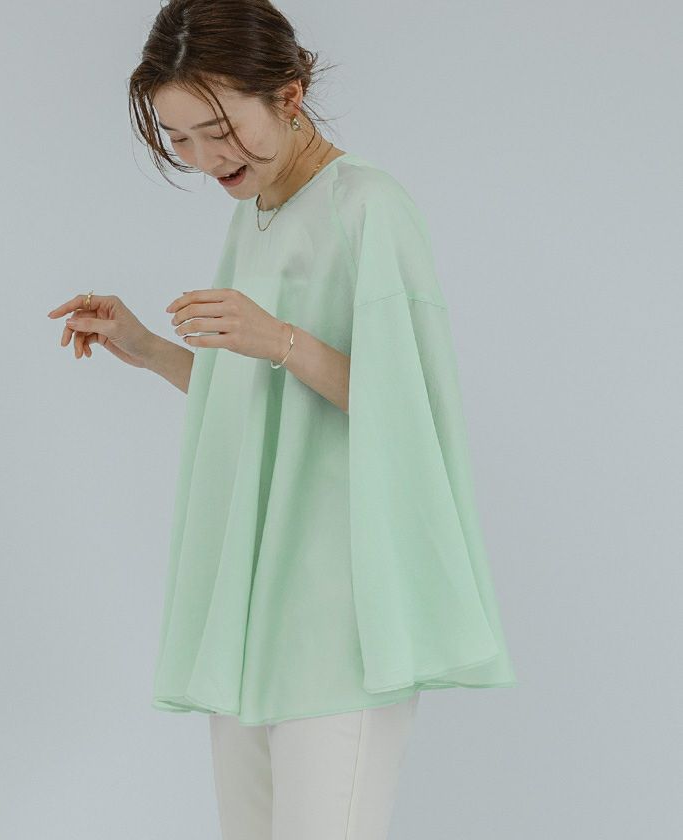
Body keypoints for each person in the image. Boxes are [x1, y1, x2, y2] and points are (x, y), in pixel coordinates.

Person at [48, 1, 517, 837]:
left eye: (220, 130)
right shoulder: (255, 214)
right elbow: (260, 407)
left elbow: (414, 412)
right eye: (180, 138)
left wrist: (279, 339)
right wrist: (147, 348)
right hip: (254, 607)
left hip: (340, 611)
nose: (206, 160)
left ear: (290, 95)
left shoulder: (368, 206)